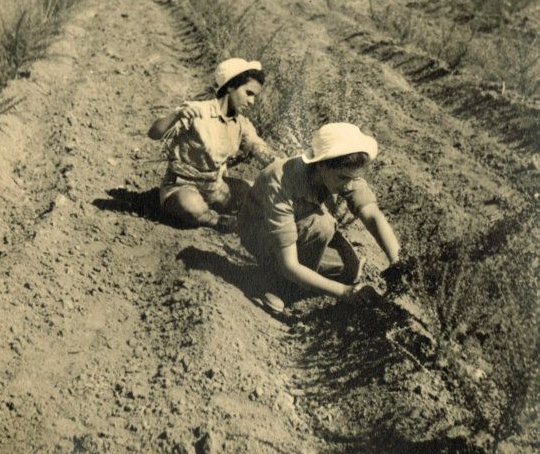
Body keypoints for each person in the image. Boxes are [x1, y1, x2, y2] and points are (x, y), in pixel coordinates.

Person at [238, 122, 400, 312]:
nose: (348, 185)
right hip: (261, 234)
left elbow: (372, 215)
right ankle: (278, 285)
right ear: (322, 164)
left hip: (298, 228)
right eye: (343, 178)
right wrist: (345, 292)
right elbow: (290, 264)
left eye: (352, 178)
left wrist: (398, 263)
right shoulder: (281, 181)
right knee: (321, 226)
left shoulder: (341, 173)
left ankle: (302, 278)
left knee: (349, 268)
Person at [149, 58, 275, 230]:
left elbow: (258, 147)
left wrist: (281, 165)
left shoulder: (241, 124)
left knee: (265, 192)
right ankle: (217, 221)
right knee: (192, 205)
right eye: (248, 93)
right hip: (182, 186)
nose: (251, 102)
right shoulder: (198, 111)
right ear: (231, 86)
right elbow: (154, 133)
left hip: (216, 187)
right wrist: (176, 116)